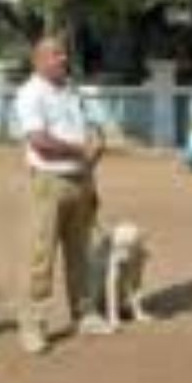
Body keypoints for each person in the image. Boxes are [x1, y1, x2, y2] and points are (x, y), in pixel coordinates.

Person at [16, 34, 113, 352]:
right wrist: (80, 150)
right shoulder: (31, 93)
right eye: (56, 55)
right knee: (41, 256)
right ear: (38, 60)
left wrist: (94, 153)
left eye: (64, 54)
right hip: (48, 182)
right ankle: (33, 326)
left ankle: (84, 314)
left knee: (80, 252)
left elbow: (87, 128)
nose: (63, 59)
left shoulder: (71, 91)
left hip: (79, 179)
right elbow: (39, 141)